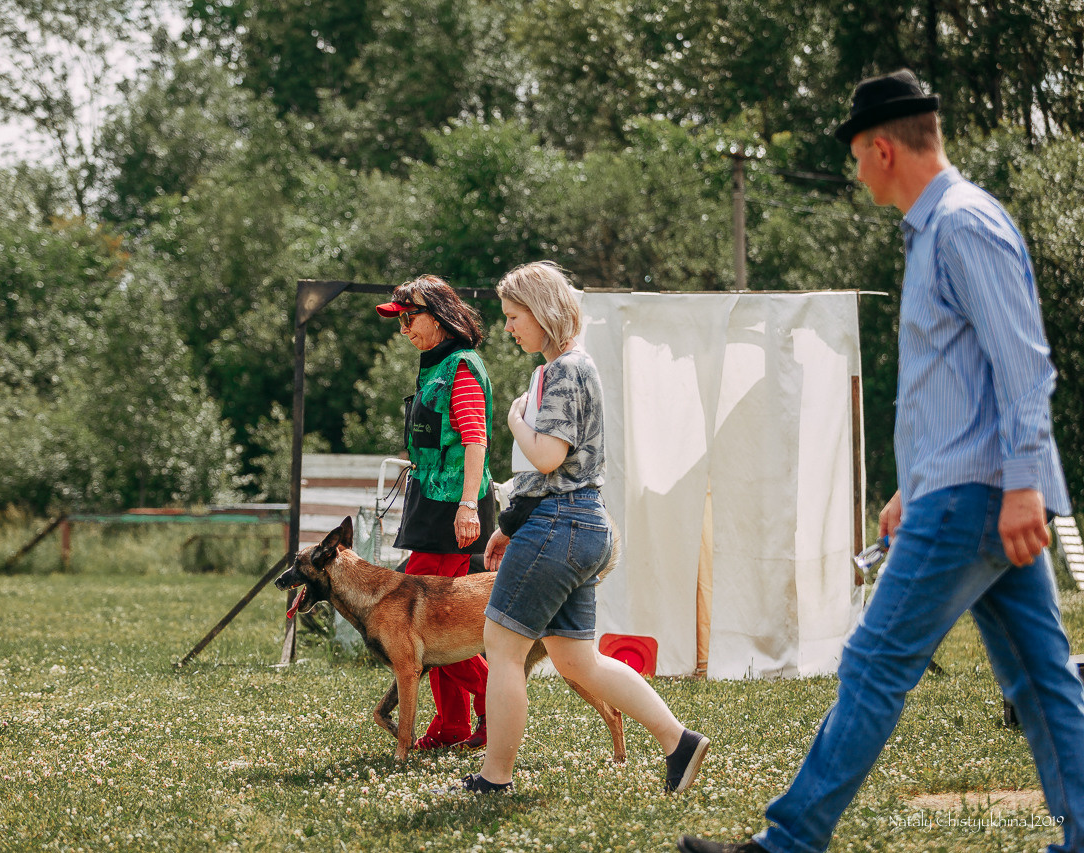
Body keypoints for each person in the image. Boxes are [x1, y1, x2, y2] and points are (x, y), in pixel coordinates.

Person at [677, 69, 1084, 853]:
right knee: (1040, 677)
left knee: (872, 662)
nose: (855, 170)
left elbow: (1023, 364)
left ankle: (788, 841)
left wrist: (1025, 483)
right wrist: (913, 483)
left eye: (857, 155)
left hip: (979, 498)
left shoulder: (963, 226)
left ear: (884, 147)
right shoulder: (943, 230)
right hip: (966, 490)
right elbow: (960, 387)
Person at [460, 260, 709, 795]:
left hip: (561, 526)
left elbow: (547, 457)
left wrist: (513, 421)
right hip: (576, 525)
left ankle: (493, 778)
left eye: (513, 315)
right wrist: (509, 524)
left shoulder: (567, 370)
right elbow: (552, 471)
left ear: (543, 310)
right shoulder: (560, 367)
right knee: (577, 659)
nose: (507, 327)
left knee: (500, 646)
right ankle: (679, 742)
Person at [376, 275, 496, 750]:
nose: (403, 328)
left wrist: (468, 507)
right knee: (434, 619)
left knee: (426, 624)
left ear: (440, 317)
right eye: (399, 320)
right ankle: (453, 725)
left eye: (409, 318)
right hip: (430, 503)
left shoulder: (462, 366)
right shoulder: (434, 366)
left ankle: (495, 705)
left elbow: (475, 440)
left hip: (454, 509)